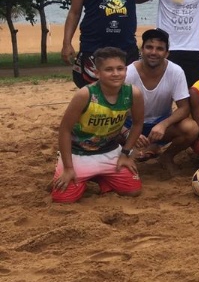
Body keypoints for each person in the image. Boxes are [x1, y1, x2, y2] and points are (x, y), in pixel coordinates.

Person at [51, 47, 145, 203]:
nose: (115, 73)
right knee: (63, 199)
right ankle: (72, 170)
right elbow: (65, 130)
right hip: (78, 153)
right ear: (97, 73)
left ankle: (101, 177)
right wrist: (68, 168)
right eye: (109, 69)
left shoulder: (133, 93)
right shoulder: (85, 94)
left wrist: (125, 154)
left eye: (120, 68)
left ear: (126, 70)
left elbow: (138, 123)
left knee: (133, 190)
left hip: (109, 150)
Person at [123, 29, 199, 170]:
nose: (153, 52)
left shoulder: (176, 72)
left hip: (160, 124)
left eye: (159, 49)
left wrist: (164, 124)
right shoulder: (128, 73)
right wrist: (128, 132)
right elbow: (112, 110)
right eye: (149, 47)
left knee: (191, 128)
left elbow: (184, 107)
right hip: (130, 123)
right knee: (105, 131)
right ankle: (124, 154)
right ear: (142, 49)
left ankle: (167, 157)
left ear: (167, 53)